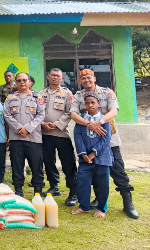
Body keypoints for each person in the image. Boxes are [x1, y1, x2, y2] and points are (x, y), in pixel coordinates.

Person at [70, 68, 139, 219]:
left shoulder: (107, 92)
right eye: (83, 79)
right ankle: (96, 201)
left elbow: (114, 111)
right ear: (80, 81)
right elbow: (74, 114)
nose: (86, 80)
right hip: (88, 140)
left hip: (108, 138)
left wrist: (99, 122)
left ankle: (128, 203)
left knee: (118, 171)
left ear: (94, 78)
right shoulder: (77, 96)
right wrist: (90, 123)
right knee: (93, 172)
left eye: (89, 78)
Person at [39, 68, 78, 206]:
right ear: (48, 76)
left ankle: (73, 192)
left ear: (61, 79)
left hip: (61, 134)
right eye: (53, 75)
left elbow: (70, 112)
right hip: (45, 134)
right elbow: (37, 112)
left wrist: (56, 124)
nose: (55, 78)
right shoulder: (40, 93)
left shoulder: (67, 93)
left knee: (68, 163)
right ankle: (54, 186)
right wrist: (42, 124)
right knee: (48, 162)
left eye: (58, 76)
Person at [4, 72, 45, 198]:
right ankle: (18, 191)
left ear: (29, 82)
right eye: (19, 80)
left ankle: (37, 192)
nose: (22, 82)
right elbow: (7, 115)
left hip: (33, 138)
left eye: (24, 80)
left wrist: (27, 129)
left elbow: (41, 115)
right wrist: (18, 128)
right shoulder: (10, 98)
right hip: (16, 138)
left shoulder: (38, 97)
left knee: (36, 166)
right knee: (17, 165)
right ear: (16, 82)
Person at [71, 92, 112, 218]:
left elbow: (106, 139)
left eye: (93, 102)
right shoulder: (81, 120)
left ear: (98, 103)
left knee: (103, 183)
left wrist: (93, 154)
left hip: (102, 157)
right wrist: (83, 154)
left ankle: (101, 208)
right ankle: (84, 206)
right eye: (87, 103)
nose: (90, 105)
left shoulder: (104, 120)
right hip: (85, 158)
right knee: (83, 181)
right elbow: (77, 137)